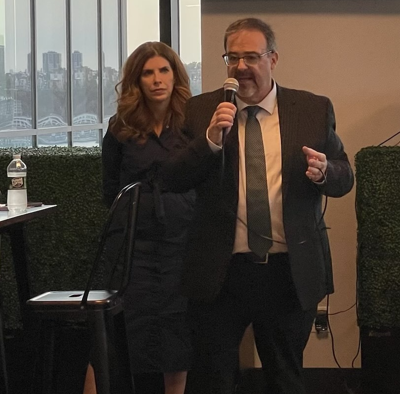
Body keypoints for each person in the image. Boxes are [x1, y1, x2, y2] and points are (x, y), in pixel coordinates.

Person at [160, 18, 354, 394]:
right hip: (220, 272)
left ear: (273, 58)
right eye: (232, 57)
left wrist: (325, 171)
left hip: (287, 270)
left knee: (285, 378)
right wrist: (210, 142)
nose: (241, 67)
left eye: (251, 56)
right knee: (213, 379)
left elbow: (345, 177)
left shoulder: (311, 108)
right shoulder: (202, 111)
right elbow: (171, 178)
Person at [101, 41, 195, 394]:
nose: (157, 80)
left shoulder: (194, 123)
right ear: (136, 81)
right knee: (131, 330)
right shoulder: (120, 128)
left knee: (177, 333)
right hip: (134, 250)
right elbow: (110, 190)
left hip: (182, 245)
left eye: (164, 70)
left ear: (175, 75)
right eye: (148, 73)